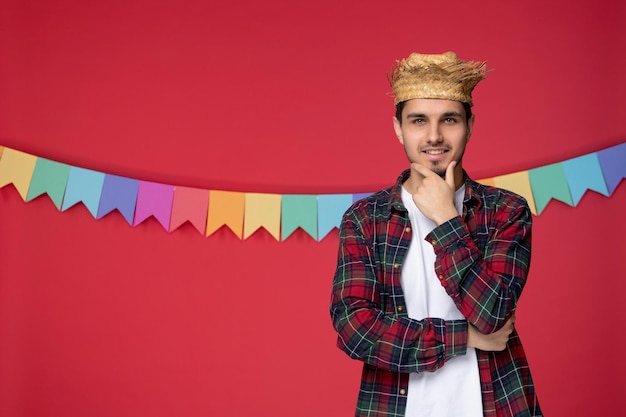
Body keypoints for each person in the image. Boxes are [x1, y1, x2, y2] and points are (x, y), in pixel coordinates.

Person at [330, 51, 542, 417]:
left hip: (496, 402)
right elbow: (355, 328)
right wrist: (465, 338)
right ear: (398, 128)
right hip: (395, 406)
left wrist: (446, 218)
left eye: (449, 120)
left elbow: (493, 315)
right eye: (418, 121)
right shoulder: (365, 219)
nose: (434, 136)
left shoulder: (506, 211)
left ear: (470, 125)